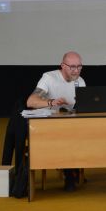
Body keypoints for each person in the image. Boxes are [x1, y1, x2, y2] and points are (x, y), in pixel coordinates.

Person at [26, 51, 86, 191]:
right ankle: (69, 174)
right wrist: (51, 102)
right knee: (66, 136)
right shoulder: (49, 77)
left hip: (68, 124)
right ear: (62, 66)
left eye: (79, 66)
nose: (76, 70)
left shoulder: (80, 81)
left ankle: (74, 169)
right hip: (46, 125)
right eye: (72, 67)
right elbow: (30, 101)